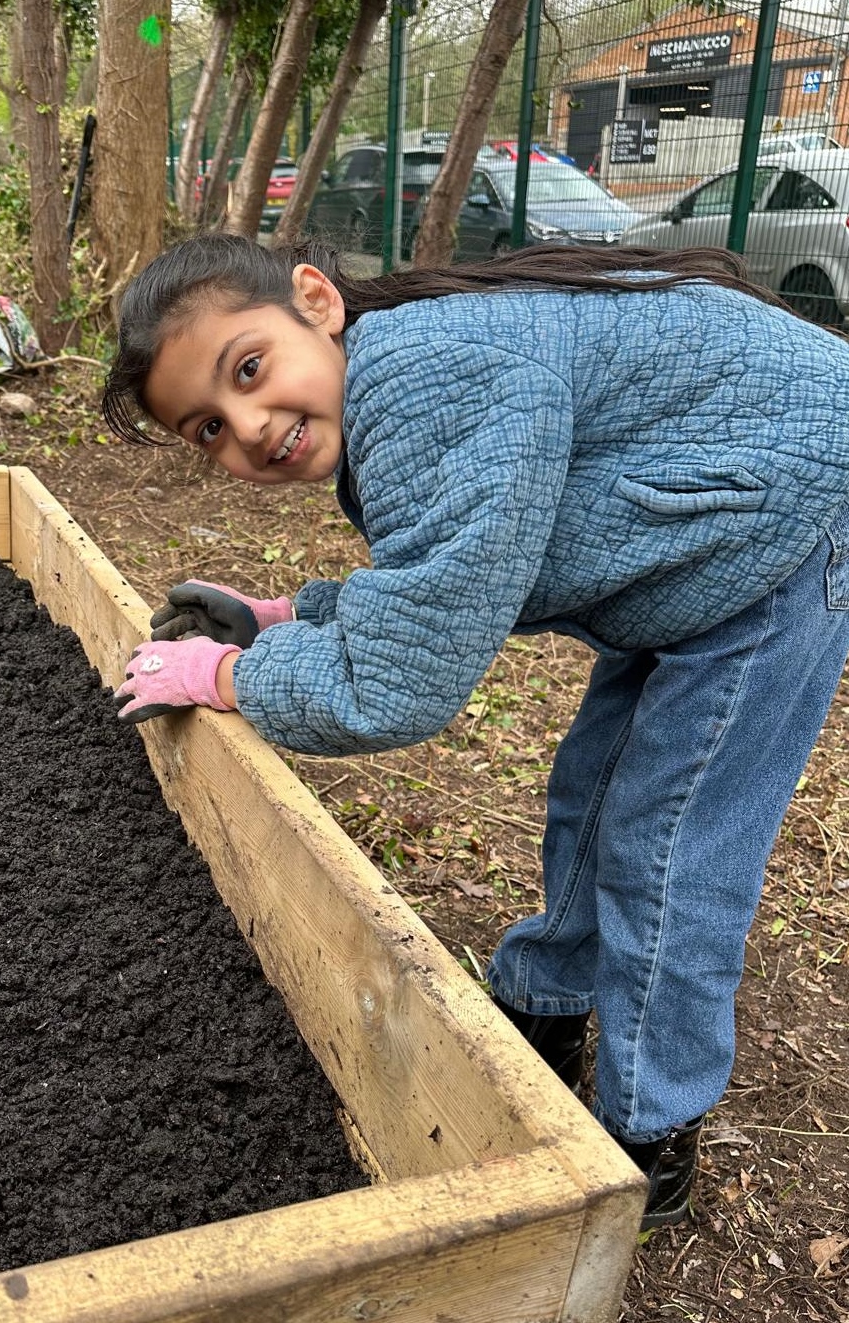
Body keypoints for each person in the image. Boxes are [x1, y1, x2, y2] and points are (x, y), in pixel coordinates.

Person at [101, 231, 849, 1232]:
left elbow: (397, 688)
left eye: (248, 369)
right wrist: (289, 619)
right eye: (206, 429)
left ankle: (649, 1131)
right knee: (595, 791)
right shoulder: (398, 374)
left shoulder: (416, 382)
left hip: (784, 535)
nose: (249, 424)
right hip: (708, 526)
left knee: (671, 848)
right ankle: (545, 1006)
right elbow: (451, 582)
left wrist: (226, 673)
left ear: (313, 301)